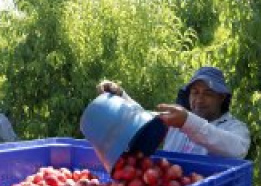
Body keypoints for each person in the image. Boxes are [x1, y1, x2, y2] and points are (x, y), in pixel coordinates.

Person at [97, 66, 251, 159]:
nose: (199, 99)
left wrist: (188, 123)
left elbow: (236, 149)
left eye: (208, 93)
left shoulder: (236, 128)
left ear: (222, 97)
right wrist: (121, 96)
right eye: (195, 92)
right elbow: (142, 118)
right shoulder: (178, 121)